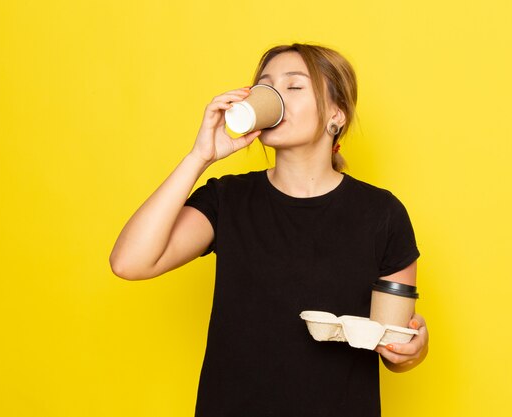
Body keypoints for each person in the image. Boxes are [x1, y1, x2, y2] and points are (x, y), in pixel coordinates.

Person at [110, 43, 429, 417]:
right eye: (268, 87)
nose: (276, 96)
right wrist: (200, 156)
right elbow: (129, 263)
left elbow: (396, 347)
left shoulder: (382, 213)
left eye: (294, 87)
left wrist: (413, 349)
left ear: (336, 114)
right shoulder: (227, 199)